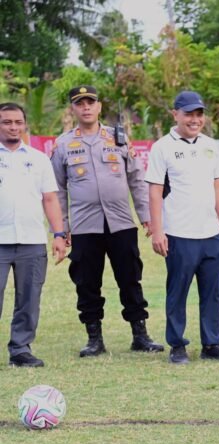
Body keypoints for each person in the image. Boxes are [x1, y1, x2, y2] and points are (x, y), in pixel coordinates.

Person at [51, 85, 163, 357]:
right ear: (73, 109)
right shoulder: (63, 145)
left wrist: (146, 216)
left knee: (130, 278)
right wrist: (61, 229)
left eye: (91, 102)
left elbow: (136, 179)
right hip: (84, 226)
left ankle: (140, 335)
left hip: (121, 223)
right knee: (87, 282)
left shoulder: (118, 138)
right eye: (80, 103)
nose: (86, 107)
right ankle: (94, 339)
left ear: (99, 106)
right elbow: (57, 190)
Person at [145, 90, 219, 364]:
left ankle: (212, 343)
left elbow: (218, 186)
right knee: (178, 291)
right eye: (189, 114)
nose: (195, 120)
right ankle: (177, 345)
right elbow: (154, 192)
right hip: (179, 233)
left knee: (213, 291)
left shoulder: (211, 145)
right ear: (175, 114)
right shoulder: (162, 147)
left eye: (199, 114)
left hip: (211, 233)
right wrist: (158, 231)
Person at [0, 102, 67, 367]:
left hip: (31, 240)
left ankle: (20, 349)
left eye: (18, 122)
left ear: (25, 124)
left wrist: (59, 234)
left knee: (29, 298)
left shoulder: (38, 158)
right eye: (7, 122)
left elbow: (50, 198)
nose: (13, 127)